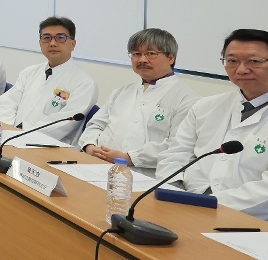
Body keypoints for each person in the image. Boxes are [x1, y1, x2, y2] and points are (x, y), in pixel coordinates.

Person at [157, 29, 268, 237]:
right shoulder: (205, 107)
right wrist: (174, 194)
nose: (241, 69)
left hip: (265, 231)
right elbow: (174, 156)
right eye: (232, 61)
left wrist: (203, 206)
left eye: (254, 61)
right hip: (186, 215)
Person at [78, 29, 199, 175]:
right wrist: (89, 145)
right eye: (136, 54)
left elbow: (179, 145)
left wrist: (129, 158)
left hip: (146, 176)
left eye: (151, 54)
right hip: (98, 166)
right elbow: (96, 124)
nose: (142, 60)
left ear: (171, 58)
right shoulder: (121, 92)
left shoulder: (188, 99)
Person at [0, 17, 97, 145]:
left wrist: (21, 132)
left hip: (50, 147)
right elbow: (7, 103)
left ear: (73, 44)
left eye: (60, 38)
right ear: (40, 43)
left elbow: (63, 124)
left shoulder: (84, 83)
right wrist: (8, 129)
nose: (52, 43)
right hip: (11, 138)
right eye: (47, 38)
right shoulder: (29, 72)